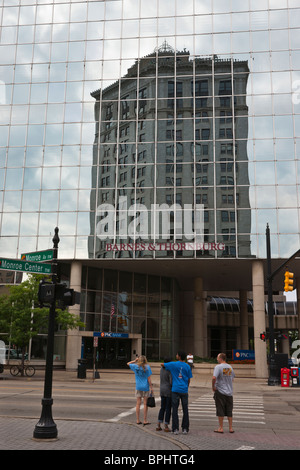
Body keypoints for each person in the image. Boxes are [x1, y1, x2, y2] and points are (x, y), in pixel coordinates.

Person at [162, 351, 193, 435]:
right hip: (184, 390)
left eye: (176, 354)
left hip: (175, 390)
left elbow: (163, 364)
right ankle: (185, 428)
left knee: (175, 409)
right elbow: (189, 378)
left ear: (179, 356)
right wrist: (186, 386)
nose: (176, 355)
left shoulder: (173, 364)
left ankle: (175, 428)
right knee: (185, 409)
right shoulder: (187, 366)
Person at [212, 352, 235, 434]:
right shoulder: (230, 367)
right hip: (229, 392)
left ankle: (221, 428)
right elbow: (232, 378)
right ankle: (230, 428)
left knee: (220, 409)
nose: (217, 359)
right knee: (229, 410)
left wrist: (213, 386)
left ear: (220, 358)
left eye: (218, 358)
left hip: (220, 391)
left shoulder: (218, 367)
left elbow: (214, 377)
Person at [127, 355, 153, 426]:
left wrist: (135, 360)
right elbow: (149, 379)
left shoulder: (135, 367)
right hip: (145, 387)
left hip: (138, 387)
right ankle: (145, 420)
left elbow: (128, 363)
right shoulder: (147, 367)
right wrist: (151, 387)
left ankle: (138, 420)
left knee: (138, 404)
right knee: (145, 404)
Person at [156, 357, 172, 432]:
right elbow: (171, 381)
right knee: (168, 408)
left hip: (162, 390)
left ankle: (158, 424)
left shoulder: (161, 369)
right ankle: (166, 425)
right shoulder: (169, 370)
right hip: (168, 390)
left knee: (162, 407)